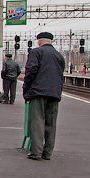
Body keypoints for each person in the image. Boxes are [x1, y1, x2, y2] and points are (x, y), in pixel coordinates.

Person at [23, 31, 65, 161]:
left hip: (38, 92)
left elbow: (30, 71)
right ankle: (47, 153)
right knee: (51, 123)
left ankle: (36, 152)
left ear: (39, 42)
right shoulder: (59, 56)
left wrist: (26, 89)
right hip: (54, 93)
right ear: (51, 41)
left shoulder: (36, 52)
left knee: (37, 122)